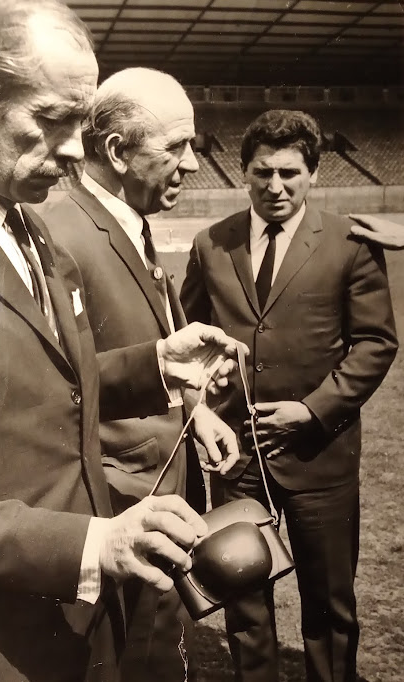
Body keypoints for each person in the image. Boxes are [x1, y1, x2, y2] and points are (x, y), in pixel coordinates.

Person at [0, 0, 242, 682]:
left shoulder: (29, 225)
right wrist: (92, 545)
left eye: (82, 122)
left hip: (72, 632)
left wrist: (154, 366)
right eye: (53, 119)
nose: (73, 149)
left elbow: (41, 387)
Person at [180, 109, 398, 682]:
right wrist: (205, 395)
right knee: (242, 590)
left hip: (318, 451)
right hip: (236, 451)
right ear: (243, 173)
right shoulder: (210, 243)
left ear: (313, 173)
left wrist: (312, 409)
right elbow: (187, 337)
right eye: (261, 173)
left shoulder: (349, 243)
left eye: (289, 172)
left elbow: (376, 343)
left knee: (328, 600)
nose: (274, 186)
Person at [44, 67, 239, 682]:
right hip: (115, 511)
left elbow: (148, 346)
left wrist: (197, 412)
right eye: (174, 147)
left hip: (158, 499)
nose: (192, 164)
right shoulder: (57, 231)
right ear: (116, 151)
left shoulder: (132, 220)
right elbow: (49, 382)